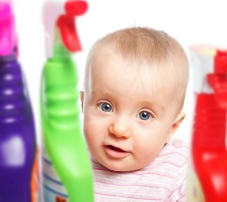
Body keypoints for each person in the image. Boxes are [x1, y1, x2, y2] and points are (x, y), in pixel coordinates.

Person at [80, 27, 189, 201]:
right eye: (106, 107)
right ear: (83, 105)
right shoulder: (69, 160)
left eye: (144, 115)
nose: (119, 129)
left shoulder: (179, 170)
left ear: (172, 127)